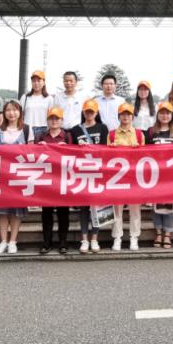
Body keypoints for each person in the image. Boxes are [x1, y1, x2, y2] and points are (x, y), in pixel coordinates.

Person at [70, 99, 107, 253]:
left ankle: (94, 239)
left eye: (92, 111)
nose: (89, 114)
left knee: (96, 206)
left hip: (98, 171)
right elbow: (69, 151)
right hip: (81, 171)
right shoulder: (75, 130)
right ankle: (84, 239)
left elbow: (105, 149)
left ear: (96, 113)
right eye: (87, 111)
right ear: (83, 112)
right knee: (84, 208)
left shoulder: (102, 128)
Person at [108, 103, 146, 251]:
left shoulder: (139, 134)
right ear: (119, 116)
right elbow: (106, 157)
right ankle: (117, 237)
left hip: (134, 178)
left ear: (132, 116)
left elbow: (145, 158)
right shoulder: (112, 134)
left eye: (128, 114)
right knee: (117, 210)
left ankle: (134, 237)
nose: (125, 117)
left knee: (135, 210)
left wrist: (138, 150)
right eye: (123, 114)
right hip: (117, 178)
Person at [0, 101, 29, 255]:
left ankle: (13, 241)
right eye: (8, 110)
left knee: (16, 210)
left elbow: (31, 152)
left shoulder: (26, 129)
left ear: (20, 112)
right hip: (0, 175)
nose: (11, 113)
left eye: (14, 110)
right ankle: (3, 241)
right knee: (1, 210)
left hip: (19, 175)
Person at [147, 101, 173, 248]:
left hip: (171, 175)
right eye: (162, 113)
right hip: (154, 175)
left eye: (167, 113)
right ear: (157, 115)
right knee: (155, 204)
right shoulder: (151, 131)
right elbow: (144, 153)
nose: (165, 116)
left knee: (169, 204)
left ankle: (167, 233)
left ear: (172, 115)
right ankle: (158, 232)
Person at [36, 107, 72, 254]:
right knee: (46, 213)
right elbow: (33, 156)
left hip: (63, 179)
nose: (54, 121)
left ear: (62, 120)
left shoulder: (67, 136)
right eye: (51, 118)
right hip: (46, 179)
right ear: (47, 120)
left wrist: (67, 148)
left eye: (57, 118)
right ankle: (47, 242)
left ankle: (63, 242)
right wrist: (39, 148)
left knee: (63, 213)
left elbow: (75, 156)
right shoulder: (41, 136)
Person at [21, 70, 55, 137]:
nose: (36, 83)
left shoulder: (49, 98)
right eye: (34, 81)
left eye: (39, 81)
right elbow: (20, 114)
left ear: (44, 82)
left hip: (43, 129)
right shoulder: (25, 97)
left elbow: (51, 116)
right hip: (27, 128)